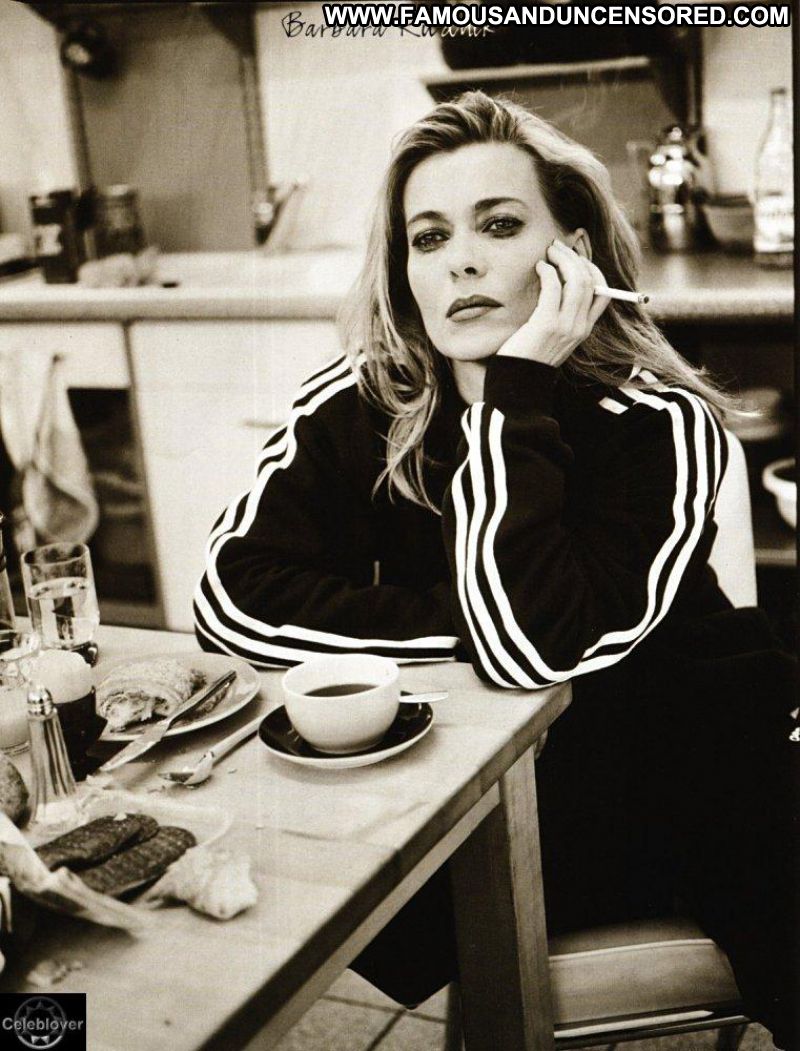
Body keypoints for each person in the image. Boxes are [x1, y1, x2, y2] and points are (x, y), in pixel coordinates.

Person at [195, 92, 798, 1048]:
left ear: (574, 254)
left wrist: (517, 390)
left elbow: (525, 652)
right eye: (429, 238)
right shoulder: (357, 402)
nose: (461, 261)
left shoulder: (657, 422)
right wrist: (460, 617)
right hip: (483, 787)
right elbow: (230, 600)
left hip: (669, 767)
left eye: (501, 225)